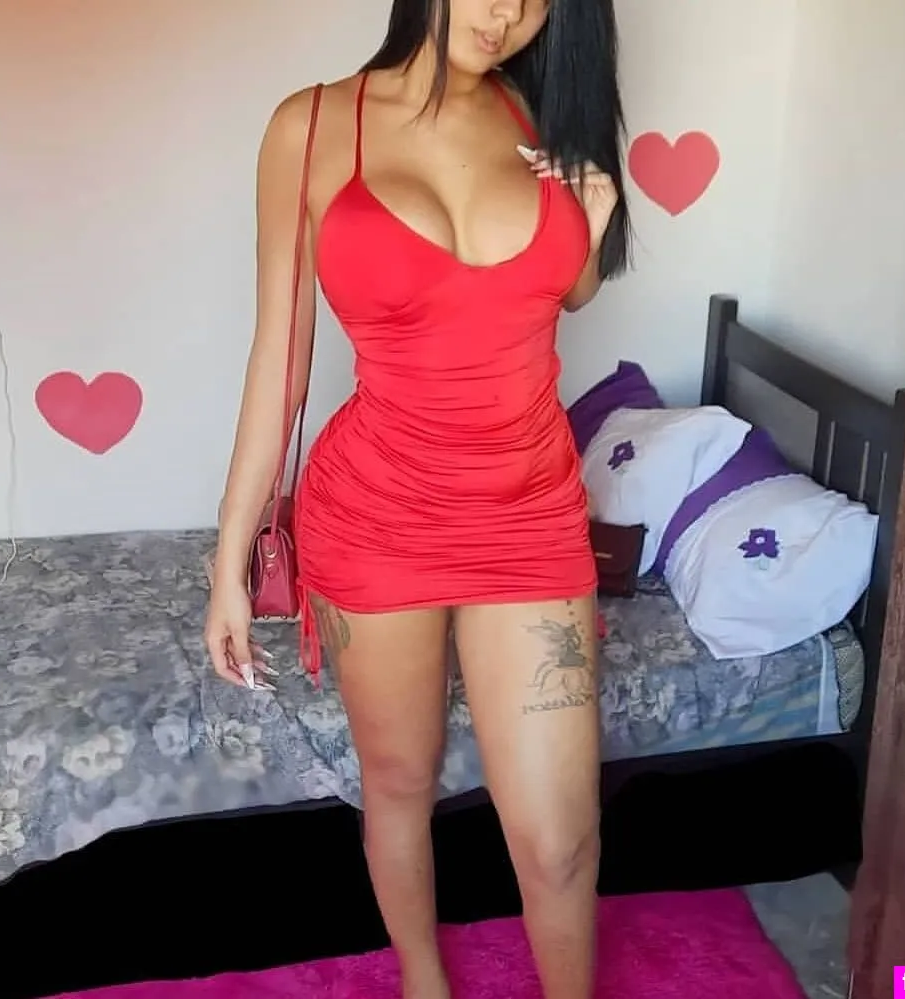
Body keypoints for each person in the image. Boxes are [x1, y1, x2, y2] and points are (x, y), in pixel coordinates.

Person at [204, 1, 630, 996]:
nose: (508, 13)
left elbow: (555, 294)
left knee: (563, 839)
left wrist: (596, 221)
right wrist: (228, 562)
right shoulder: (312, 125)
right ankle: (424, 979)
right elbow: (280, 360)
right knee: (399, 781)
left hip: (529, 516)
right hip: (375, 518)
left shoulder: (543, 119)